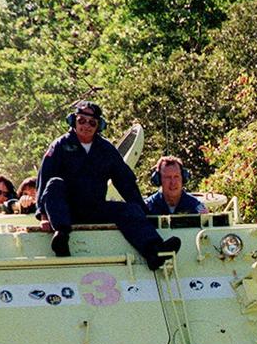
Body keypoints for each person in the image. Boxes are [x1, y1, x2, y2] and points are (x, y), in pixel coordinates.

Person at [37, 100, 179, 269]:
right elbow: (44, 179)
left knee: (129, 210)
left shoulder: (105, 149)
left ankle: (153, 251)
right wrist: (43, 216)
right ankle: (61, 236)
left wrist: (142, 210)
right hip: (66, 212)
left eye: (92, 122)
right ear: (73, 120)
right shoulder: (60, 146)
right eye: (81, 120)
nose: (86, 126)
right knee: (55, 184)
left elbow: (124, 180)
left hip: (94, 207)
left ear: (99, 125)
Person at [143, 156, 208, 216]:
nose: (173, 182)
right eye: (168, 177)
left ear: (183, 178)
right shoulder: (147, 207)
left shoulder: (196, 206)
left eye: (176, 176)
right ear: (158, 180)